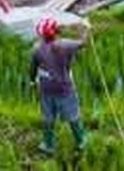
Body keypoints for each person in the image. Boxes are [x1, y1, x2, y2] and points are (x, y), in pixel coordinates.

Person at [30, 17, 89, 154]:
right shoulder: (66, 45)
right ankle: (81, 141)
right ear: (56, 31)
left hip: (45, 89)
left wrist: (32, 81)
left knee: (48, 116)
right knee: (73, 114)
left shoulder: (37, 48)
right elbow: (84, 42)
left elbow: (32, 69)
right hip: (64, 88)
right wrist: (85, 28)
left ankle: (48, 144)